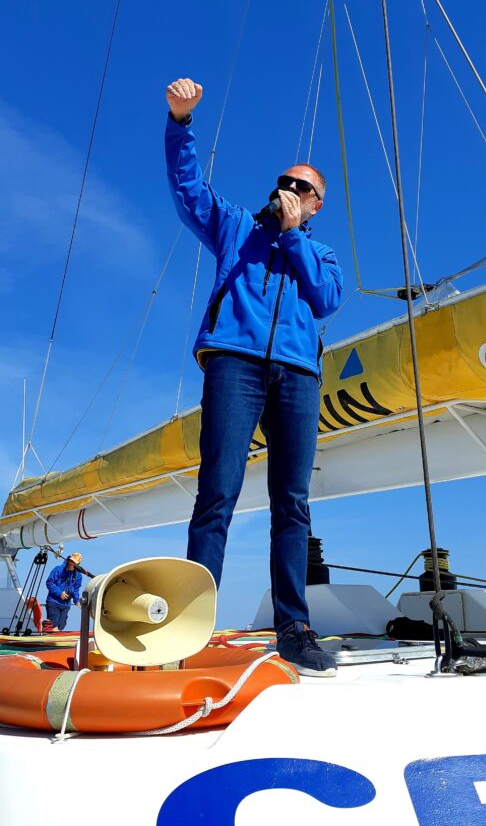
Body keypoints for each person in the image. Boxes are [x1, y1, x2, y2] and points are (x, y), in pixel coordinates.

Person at [165, 78, 343, 676]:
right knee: (217, 491)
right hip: (234, 364)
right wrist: (180, 122)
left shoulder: (320, 254)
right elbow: (189, 191)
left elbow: (324, 301)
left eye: (304, 188)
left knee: (291, 502)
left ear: (316, 205)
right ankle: (192, 625)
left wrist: (294, 238)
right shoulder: (236, 228)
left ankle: (293, 627)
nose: (289, 190)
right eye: (285, 181)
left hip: (297, 376)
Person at [45, 553, 83, 631]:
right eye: (71, 561)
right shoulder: (58, 569)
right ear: (69, 560)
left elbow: (76, 589)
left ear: (78, 564)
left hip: (66, 604)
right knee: (54, 626)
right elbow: (49, 583)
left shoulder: (78, 575)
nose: (72, 564)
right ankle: (49, 633)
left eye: (75, 563)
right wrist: (60, 593)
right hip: (53, 602)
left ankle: (51, 633)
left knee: (61, 626)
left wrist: (77, 601)